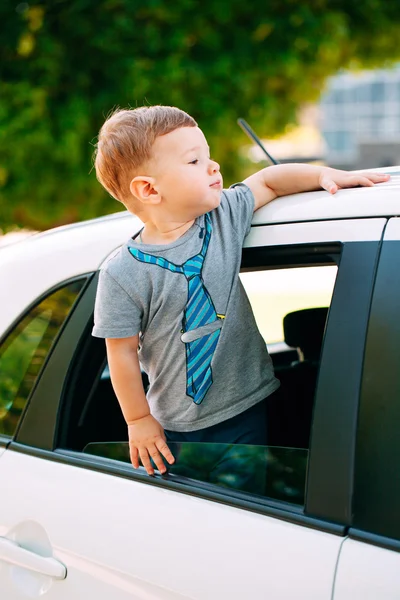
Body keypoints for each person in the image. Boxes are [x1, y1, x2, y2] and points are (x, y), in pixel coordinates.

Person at [92, 105, 388, 476]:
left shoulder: (224, 216)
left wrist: (324, 174)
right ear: (149, 189)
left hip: (247, 407)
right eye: (195, 161)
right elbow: (119, 351)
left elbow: (267, 181)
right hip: (176, 428)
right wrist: (138, 420)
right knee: (199, 514)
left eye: (209, 156)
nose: (213, 166)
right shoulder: (122, 272)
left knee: (243, 496)